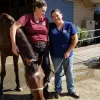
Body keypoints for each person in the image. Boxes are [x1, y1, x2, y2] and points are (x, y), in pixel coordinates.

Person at [10, 0, 51, 99]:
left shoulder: (45, 20)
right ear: (36, 8)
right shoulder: (27, 17)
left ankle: (43, 90)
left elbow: (46, 33)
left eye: (45, 11)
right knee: (32, 72)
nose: (44, 13)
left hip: (44, 47)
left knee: (47, 69)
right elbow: (13, 27)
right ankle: (33, 93)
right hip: (33, 48)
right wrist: (14, 44)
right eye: (42, 11)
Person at [49, 9, 80, 99]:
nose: (55, 18)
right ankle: (58, 91)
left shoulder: (69, 25)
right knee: (57, 73)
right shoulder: (50, 26)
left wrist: (68, 51)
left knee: (69, 72)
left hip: (68, 55)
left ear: (61, 15)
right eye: (53, 17)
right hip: (55, 55)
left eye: (57, 15)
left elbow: (75, 40)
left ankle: (71, 90)